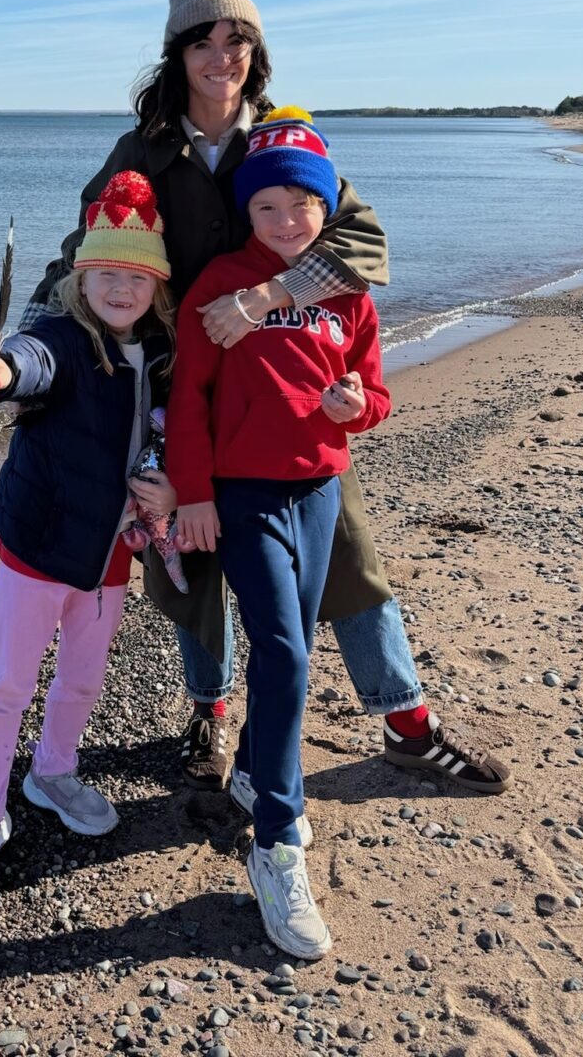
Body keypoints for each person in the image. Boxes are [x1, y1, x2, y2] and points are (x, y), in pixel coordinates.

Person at [24, 0, 510, 796]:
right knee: (191, 562)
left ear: (256, 48)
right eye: (203, 41)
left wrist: (270, 294)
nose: (222, 56)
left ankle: (408, 724)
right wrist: (27, 352)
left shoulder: (284, 138)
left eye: (237, 38)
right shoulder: (142, 149)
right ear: (175, 54)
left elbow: (360, 246)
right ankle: (209, 717)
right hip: (180, 393)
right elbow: (87, 251)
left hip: (296, 404)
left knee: (353, 559)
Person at [168, 107, 392, 958]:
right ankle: (276, 840)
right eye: (268, 208)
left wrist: (355, 409)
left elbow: (373, 388)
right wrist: (193, 493)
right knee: (287, 651)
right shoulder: (220, 285)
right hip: (244, 492)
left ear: (326, 208)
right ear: (247, 213)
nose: (287, 221)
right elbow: (189, 397)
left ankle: (263, 769)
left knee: (287, 647)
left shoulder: (342, 289)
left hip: (320, 489)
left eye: (303, 205)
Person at [0, 171, 178, 909]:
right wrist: (1, 370)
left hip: (110, 557)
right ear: (82, 278)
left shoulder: (161, 354)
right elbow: (31, 364)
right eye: (105, 274)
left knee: (81, 678)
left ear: (156, 288)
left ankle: (53, 773)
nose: (119, 289)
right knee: (7, 683)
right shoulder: (63, 340)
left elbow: (172, 431)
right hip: (39, 548)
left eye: (135, 278)